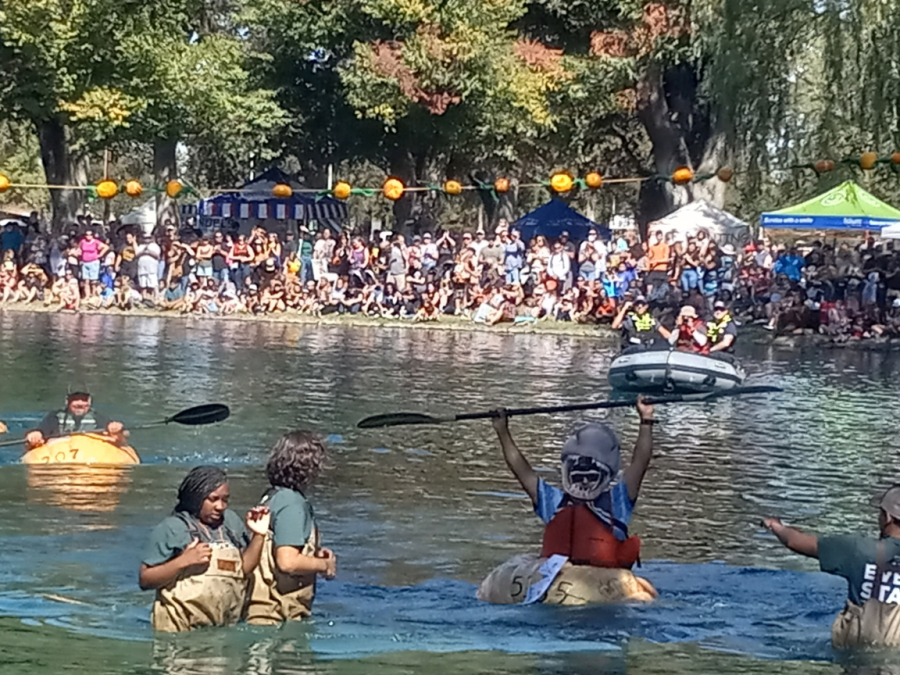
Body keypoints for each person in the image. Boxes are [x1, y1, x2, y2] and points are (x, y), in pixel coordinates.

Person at [490, 397, 656, 569]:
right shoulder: (553, 502)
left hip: (606, 581)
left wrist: (646, 419)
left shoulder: (618, 501)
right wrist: (502, 431)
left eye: (591, 477)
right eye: (578, 477)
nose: (584, 481)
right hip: (562, 578)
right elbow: (521, 470)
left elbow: (640, 462)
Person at [763, 485, 900, 648]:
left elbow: (795, 541)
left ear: (888, 517)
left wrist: (776, 526)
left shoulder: (858, 548)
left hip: (858, 645)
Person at [139, 466, 271, 632]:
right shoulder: (172, 528)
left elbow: (243, 570)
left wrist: (259, 535)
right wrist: (183, 561)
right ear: (195, 498)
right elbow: (145, 580)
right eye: (213, 499)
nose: (220, 506)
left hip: (222, 629)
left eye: (225, 500)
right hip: (179, 631)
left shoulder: (231, 523)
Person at [245, 431, 336, 625]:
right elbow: (287, 562)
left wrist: (314, 554)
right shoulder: (292, 504)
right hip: (276, 616)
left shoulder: (272, 497)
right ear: (310, 467)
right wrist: (324, 566)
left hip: (256, 610)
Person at [25, 388, 126, 450]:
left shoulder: (96, 417)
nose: (80, 403)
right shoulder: (55, 417)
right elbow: (41, 431)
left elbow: (121, 434)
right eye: (75, 400)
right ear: (67, 402)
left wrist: (117, 429)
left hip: (90, 451)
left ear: (89, 402)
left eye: (84, 400)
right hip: (60, 452)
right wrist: (35, 435)